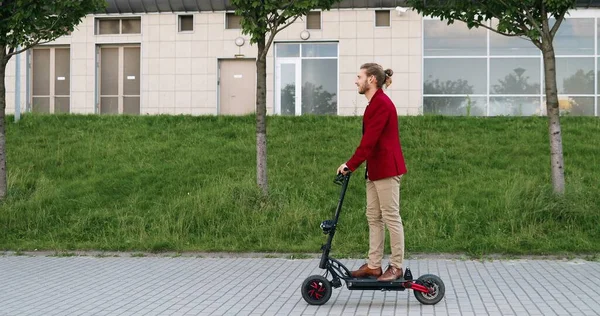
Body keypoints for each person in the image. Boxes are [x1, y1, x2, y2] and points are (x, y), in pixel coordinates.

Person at [336, 63, 407, 282]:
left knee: (391, 217)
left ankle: (396, 267)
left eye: (359, 77)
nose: (356, 81)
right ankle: (374, 266)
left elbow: (369, 141)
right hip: (375, 170)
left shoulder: (382, 104)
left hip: (386, 169)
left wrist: (350, 164)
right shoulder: (374, 104)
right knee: (374, 217)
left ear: (371, 80)